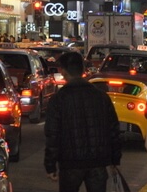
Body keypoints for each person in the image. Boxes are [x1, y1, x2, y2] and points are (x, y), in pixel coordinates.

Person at [44, 51, 121, 192]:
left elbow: (52, 135)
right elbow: (113, 129)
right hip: (98, 162)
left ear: (64, 71)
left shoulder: (59, 99)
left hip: (70, 163)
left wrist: (50, 165)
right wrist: (114, 159)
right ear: (83, 70)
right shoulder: (101, 97)